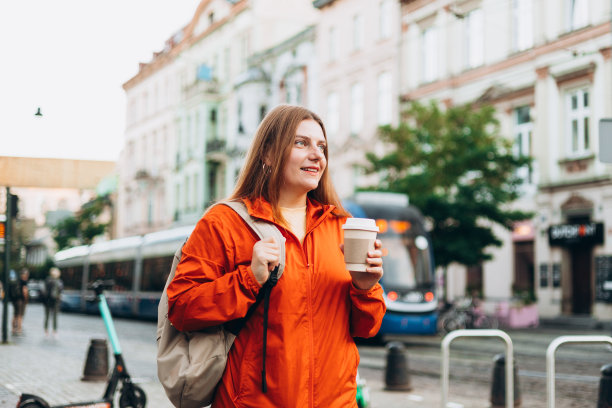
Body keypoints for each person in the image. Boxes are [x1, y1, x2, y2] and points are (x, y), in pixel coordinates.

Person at [167, 104, 386, 407]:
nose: (316, 154)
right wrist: (248, 279)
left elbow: (366, 328)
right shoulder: (224, 223)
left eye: (322, 146)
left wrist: (365, 287)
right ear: (268, 154)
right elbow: (180, 308)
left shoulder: (340, 227)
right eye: (301, 143)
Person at [43, 267, 64, 337]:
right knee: (51, 316)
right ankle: (50, 330)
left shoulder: (50, 280)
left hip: (52, 300)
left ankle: (50, 330)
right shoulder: (55, 281)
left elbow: (60, 290)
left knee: (50, 316)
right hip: (52, 300)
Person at [10, 268, 29, 335]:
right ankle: (19, 329)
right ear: (25, 275)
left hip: (15, 300)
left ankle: (13, 329)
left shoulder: (17, 281)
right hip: (21, 300)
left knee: (15, 315)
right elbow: (25, 292)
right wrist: (26, 300)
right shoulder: (24, 282)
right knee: (20, 315)